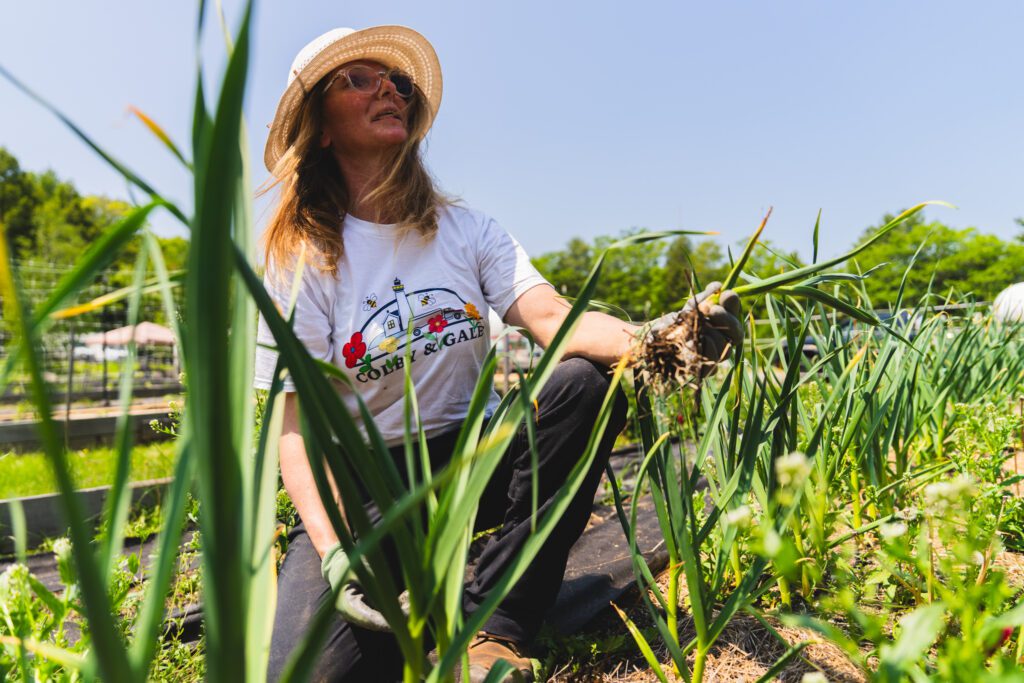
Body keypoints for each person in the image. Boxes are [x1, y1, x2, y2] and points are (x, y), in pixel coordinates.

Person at [254, 26, 742, 683]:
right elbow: (295, 429)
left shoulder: (465, 231)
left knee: (582, 386)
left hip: (469, 457)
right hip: (365, 487)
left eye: (396, 81)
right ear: (319, 127)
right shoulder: (301, 257)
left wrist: (664, 338)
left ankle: (497, 623)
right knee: (312, 675)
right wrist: (334, 549)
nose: (389, 90)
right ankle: (420, 593)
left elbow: (555, 321)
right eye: (359, 79)